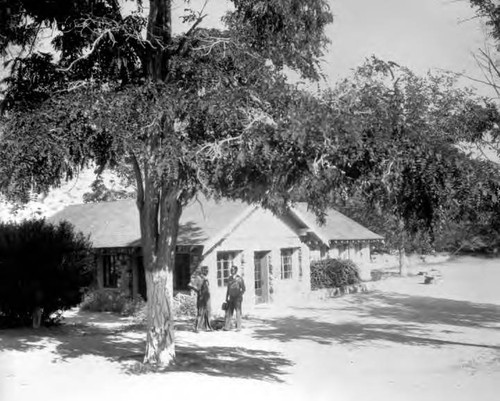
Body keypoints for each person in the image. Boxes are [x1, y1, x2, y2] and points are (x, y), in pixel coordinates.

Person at [188, 266, 212, 332]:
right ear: (202, 271)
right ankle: (197, 328)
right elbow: (190, 285)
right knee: (200, 312)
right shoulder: (198, 278)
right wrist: (198, 290)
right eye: (206, 270)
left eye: (208, 270)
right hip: (201, 297)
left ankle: (207, 327)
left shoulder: (206, 278)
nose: (207, 272)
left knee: (208, 311)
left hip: (207, 297)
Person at [224, 265, 246, 331]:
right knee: (229, 312)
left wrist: (240, 295)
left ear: (236, 271)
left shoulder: (239, 279)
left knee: (238, 312)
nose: (231, 271)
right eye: (231, 270)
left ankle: (239, 327)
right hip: (231, 297)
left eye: (232, 270)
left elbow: (244, 289)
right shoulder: (229, 279)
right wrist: (226, 297)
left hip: (237, 298)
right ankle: (227, 327)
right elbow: (228, 288)